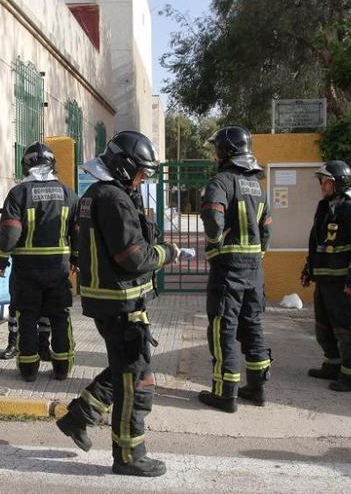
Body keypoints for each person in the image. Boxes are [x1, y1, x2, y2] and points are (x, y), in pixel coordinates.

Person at [56, 130, 186, 477]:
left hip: (110, 301)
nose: (144, 179)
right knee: (136, 381)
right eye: (141, 172)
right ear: (125, 167)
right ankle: (128, 456)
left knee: (127, 369)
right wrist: (167, 253)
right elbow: (133, 256)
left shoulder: (97, 194)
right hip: (120, 303)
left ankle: (78, 416)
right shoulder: (112, 198)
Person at [198, 126, 273, 413]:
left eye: (217, 148)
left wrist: (216, 241)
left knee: (223, 329)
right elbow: (266, 231)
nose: (215, 153)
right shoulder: (257, 185)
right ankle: (257, 388)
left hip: (227, 271)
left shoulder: (221, 181)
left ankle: (225, 393)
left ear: (226, 151)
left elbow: (213, 221)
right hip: (254, 271)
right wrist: (255, 256)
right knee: (252, 325)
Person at [0, 142, 79, 381]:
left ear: (25, 165)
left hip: (26, 271)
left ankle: (29, 370)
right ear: (53, 164)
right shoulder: (68, 193)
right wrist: (77, 258)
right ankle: (62, 368)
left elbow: (10, 233)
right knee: (60, 315)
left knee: (26, 317)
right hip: (58, 269)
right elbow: (78, 231)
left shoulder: (18, 194)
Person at [301, 160, 351, 392]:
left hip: (342, 282)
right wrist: (308, 269)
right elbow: (316, 243)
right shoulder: (324, 208)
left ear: (339, 183)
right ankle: (333, 364)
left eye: (327, 181)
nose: (323, 185)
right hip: (324, 280)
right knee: (324, 326)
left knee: (345, 327)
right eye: (322, 181)